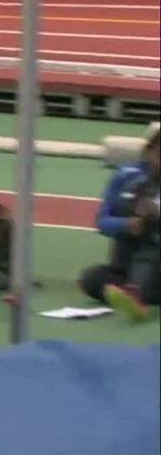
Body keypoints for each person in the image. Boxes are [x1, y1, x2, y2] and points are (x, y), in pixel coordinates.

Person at [80, 127, 160, 321]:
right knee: (91, 279)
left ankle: (136, 293)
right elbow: (102, 222)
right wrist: (127, 224)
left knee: (149, 254)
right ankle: (134, 292)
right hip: (122, 263)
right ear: (149, 151)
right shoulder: (125, 177)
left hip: (154, 259)